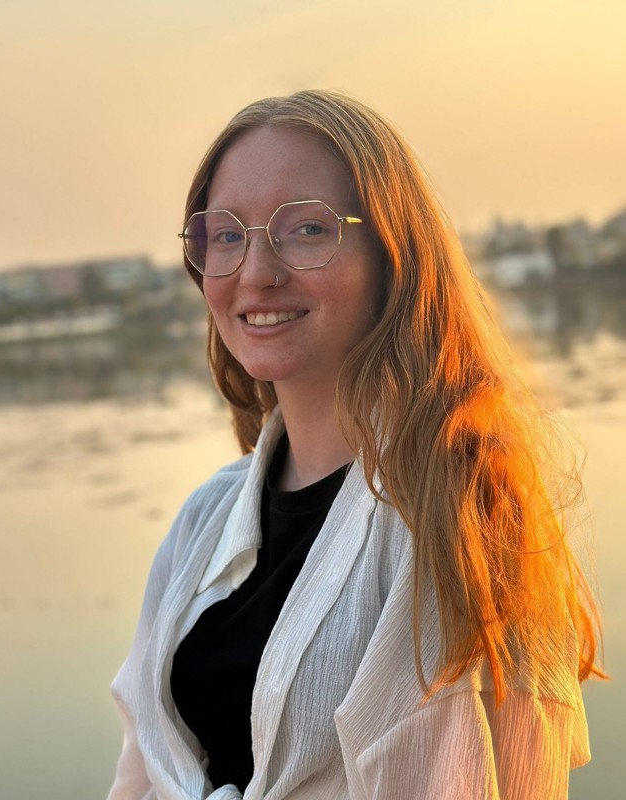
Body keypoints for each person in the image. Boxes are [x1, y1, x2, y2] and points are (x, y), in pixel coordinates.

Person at [107, 89, 603, 800]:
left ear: (392, 254)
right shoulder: (202, 522)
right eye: (226, 235)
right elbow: (139, 771)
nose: (256, 271)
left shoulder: (460, 509)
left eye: (306, 229)